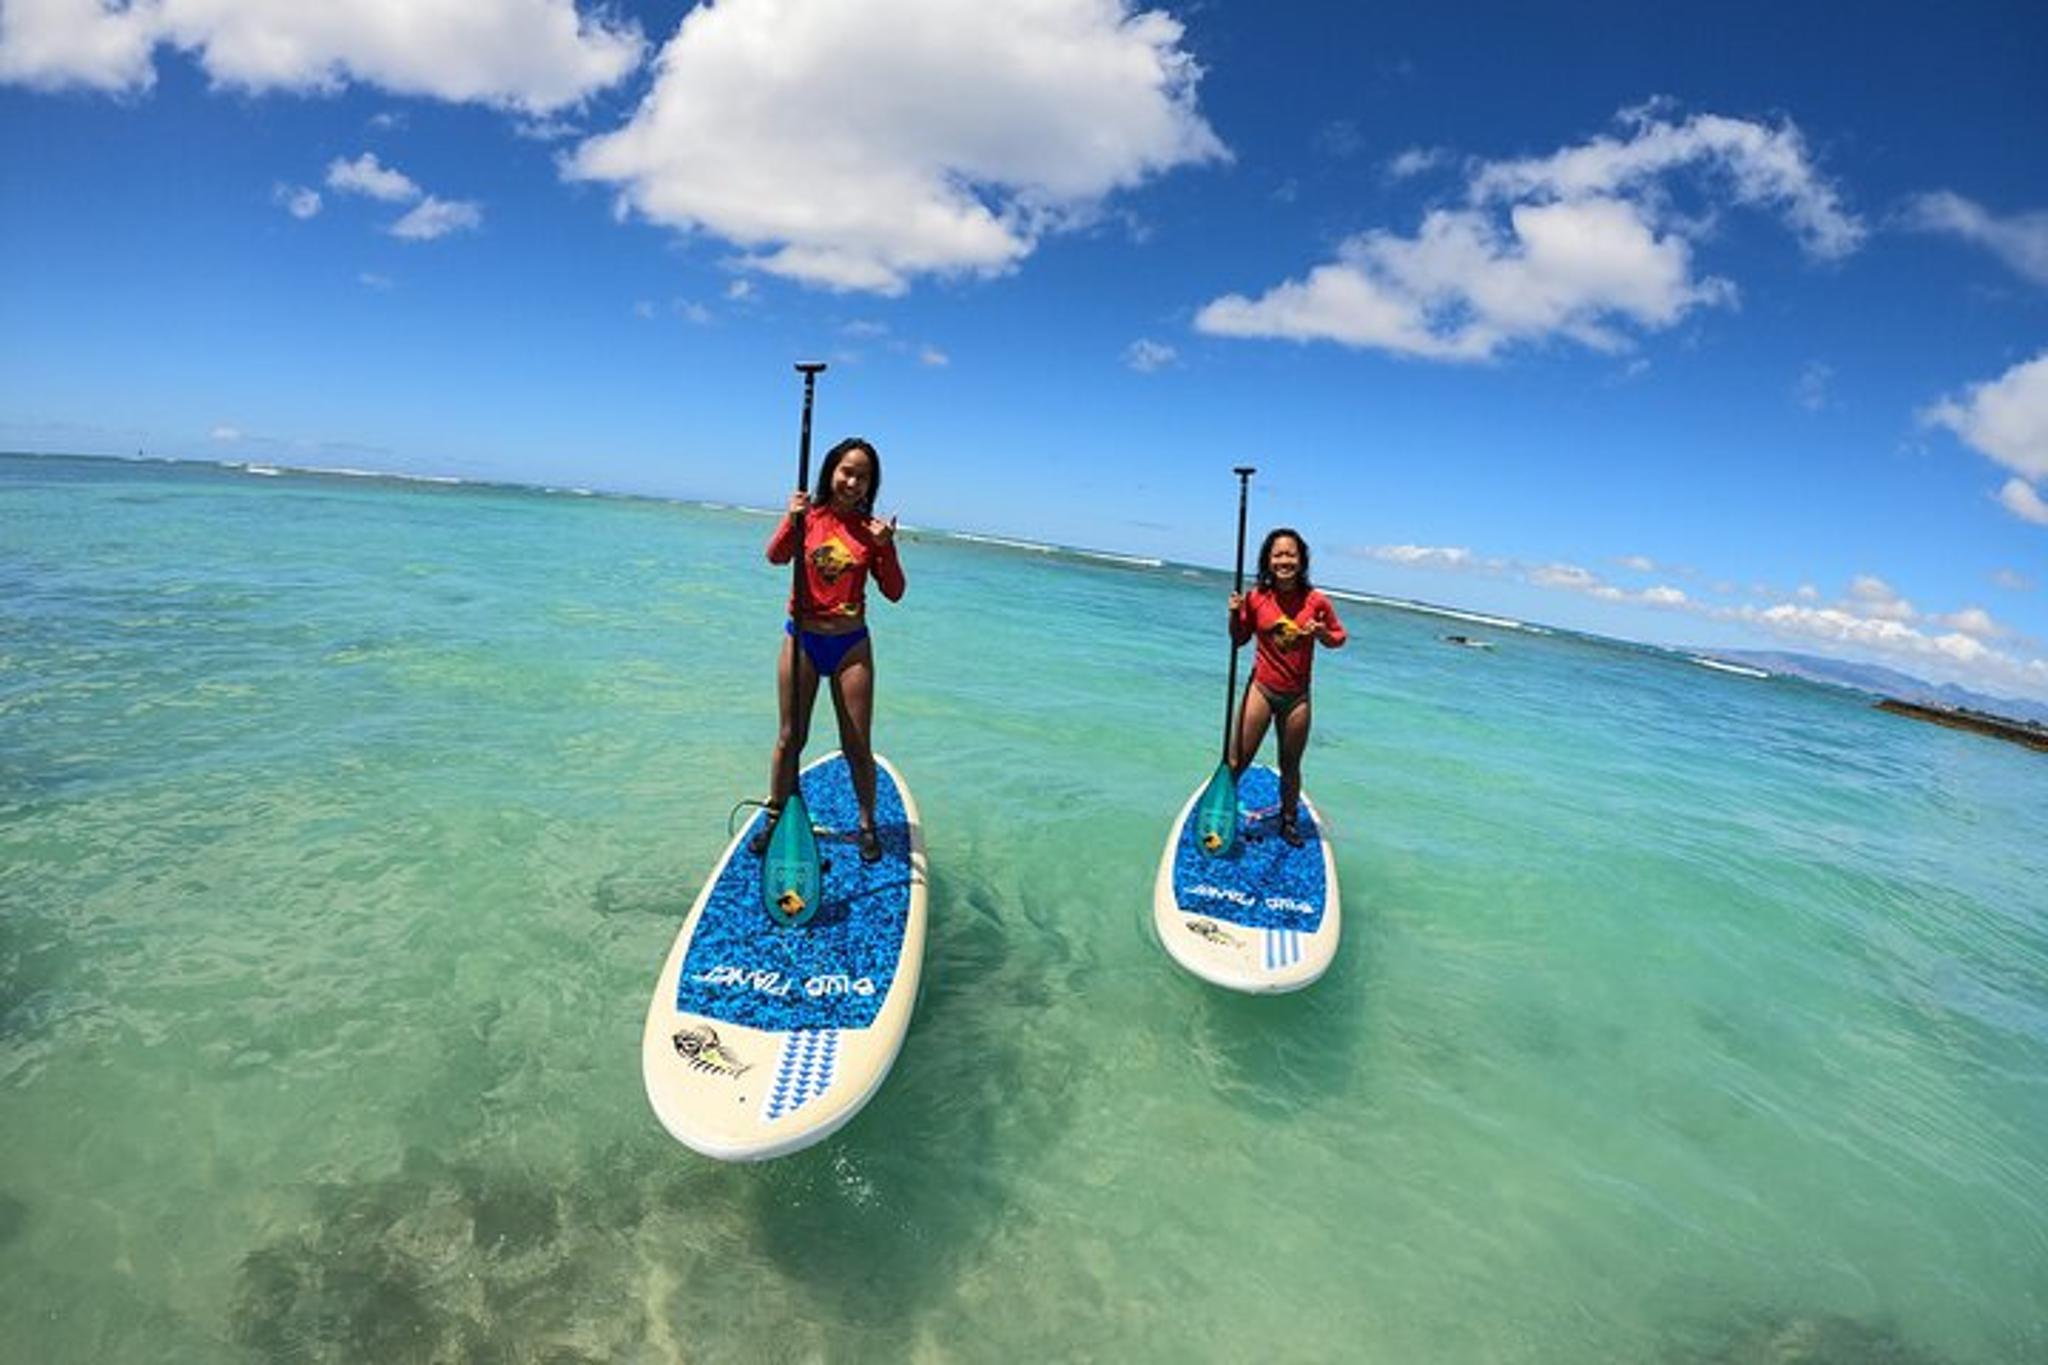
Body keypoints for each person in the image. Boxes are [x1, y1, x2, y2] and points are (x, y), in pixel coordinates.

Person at [753, 437, 904, 863]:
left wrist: (885, 547)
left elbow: (894, 592)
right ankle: (775, 815)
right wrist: (791, 518)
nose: (853, 481)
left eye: (863, 476)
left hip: (850, 645)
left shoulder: (870, 531)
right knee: (789, 737)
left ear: (871, 484)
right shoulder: (809, 517)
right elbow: (775, 557)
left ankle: (867, 824)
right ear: (830, 471)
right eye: (847, 471)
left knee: (857, 743)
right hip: (801, 638)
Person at [1227, 528, 1346, 846]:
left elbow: (1339, 638)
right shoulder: (1256, 598)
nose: (1284, 560)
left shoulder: (1316, 601)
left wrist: (1320, 632)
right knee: (1238, 758)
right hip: (1262, 688)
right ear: (1268, 559)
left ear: (1301, 560)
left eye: (1290, 554)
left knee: (1290, 764)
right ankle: (1221, 809)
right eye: (1278, 554)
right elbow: (1239, 640)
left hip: (1297, 696)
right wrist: (1234, 614)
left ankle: (1289, 821)